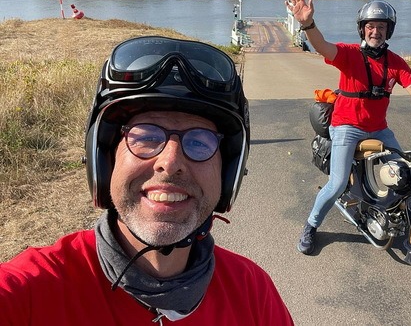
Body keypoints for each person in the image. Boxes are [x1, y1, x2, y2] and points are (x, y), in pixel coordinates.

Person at [0, 36, 294, 325]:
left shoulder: (253, 291)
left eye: (201, 142)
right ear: (106, 159)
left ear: (226, 172)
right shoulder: (32, 291)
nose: (170, 163)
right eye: (145, 137)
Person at [285, 0, 411, 255]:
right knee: (337, 183)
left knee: (408, 173)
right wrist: (308, 23)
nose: (375, 31)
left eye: (381, 26)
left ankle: (406, 221)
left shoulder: (396, 63)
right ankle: (311, 225)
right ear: (362, 29)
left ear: (388, 30)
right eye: (370, 26)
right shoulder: (350, 54)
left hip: (379, 129)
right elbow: (322, 46)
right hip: (346, 126)